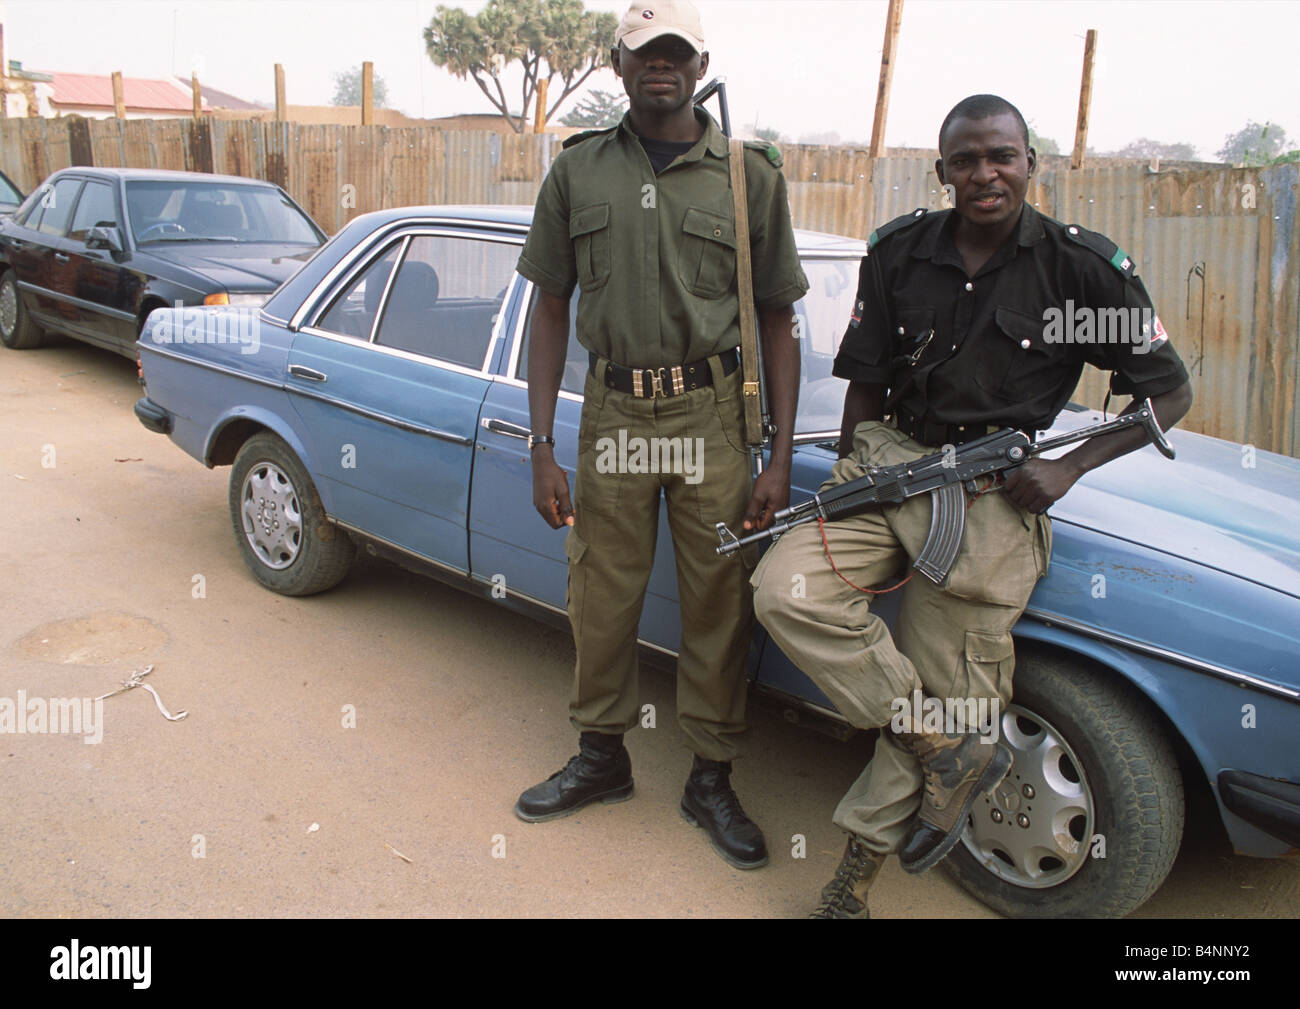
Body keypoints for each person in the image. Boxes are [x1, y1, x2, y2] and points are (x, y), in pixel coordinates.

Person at [750, 94, 1194, 916]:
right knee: (784, 590)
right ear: (944, 168)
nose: (984, 174)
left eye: (1001, 156)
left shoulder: (1080, 269)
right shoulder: (900, 251)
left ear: (1031, 161)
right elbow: (868, 378)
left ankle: (853, 877)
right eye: (966, 160)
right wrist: (852, 468)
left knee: (949, 679)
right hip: (892, 464)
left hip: (990, 489)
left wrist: (1069, 471)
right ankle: (948, 745)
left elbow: (1169, 393)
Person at [512, 0, 809, 871]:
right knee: (602, 593)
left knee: (718, 597)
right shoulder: (579, 172)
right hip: (611, 413)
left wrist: (780, 455)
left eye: (677, 52)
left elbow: (780, 316)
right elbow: (551, 305)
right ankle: (601, 756)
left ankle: (709, 775)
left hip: (711, 417)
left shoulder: (748, 174)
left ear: (698, 61)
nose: (662, 67)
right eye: (646, 53)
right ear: (619, 63)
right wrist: (541, 444)